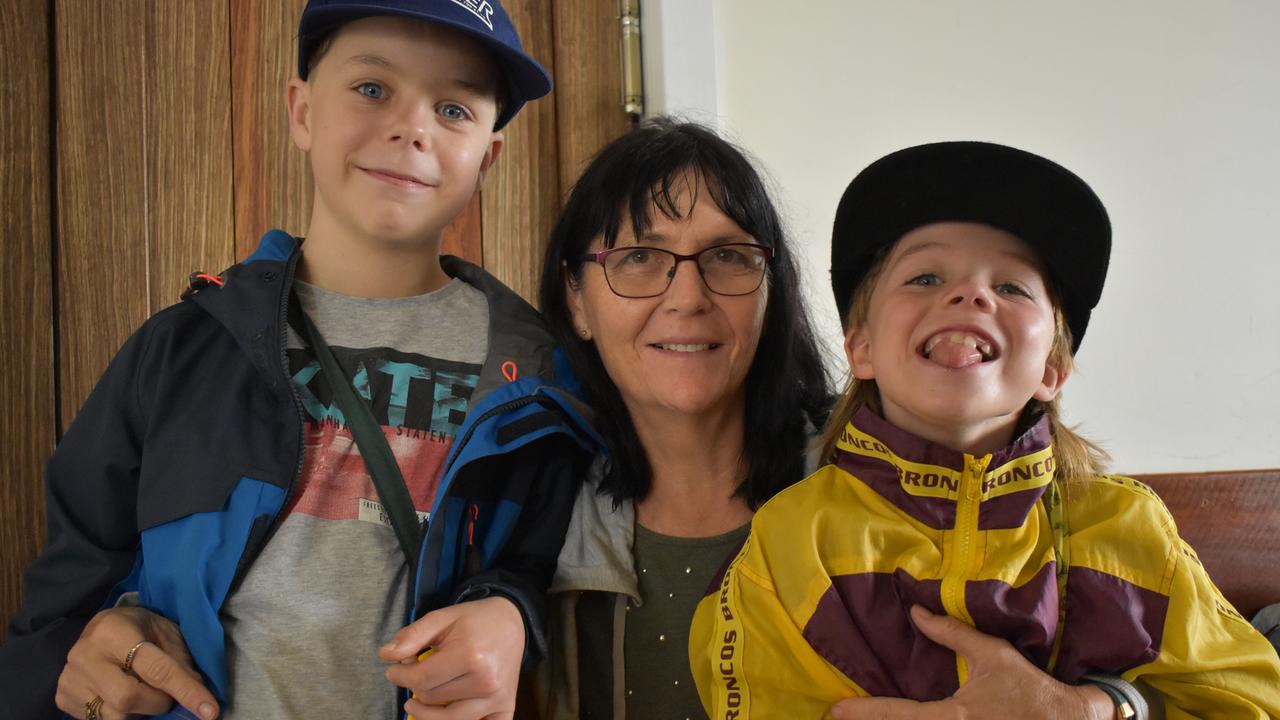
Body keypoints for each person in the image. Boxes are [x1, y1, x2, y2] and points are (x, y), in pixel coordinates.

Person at [0, 2, 596, 719]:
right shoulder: (181, 350)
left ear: (487, 158)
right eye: (373, 89)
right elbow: (61, 610)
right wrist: (88, 651)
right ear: (302, 111)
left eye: (454, 108)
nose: (412, 128)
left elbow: (550, 577)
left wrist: (510, 616)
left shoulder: (539, 382)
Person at [689, 141, 1280, 718]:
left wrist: (1097, 709)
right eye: (924, 277)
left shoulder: (1132, 534)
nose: (969, 293)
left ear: (1053, 367)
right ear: (861, 347)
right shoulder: (790, 547)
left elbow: (1252, 700)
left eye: (1010, 287)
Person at [530, 118, 832, 719]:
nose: (688, 297)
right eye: (640, 256)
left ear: (771, 289)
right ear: (576, 298)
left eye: (726, 255)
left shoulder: (864, 481)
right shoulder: (527, 516)